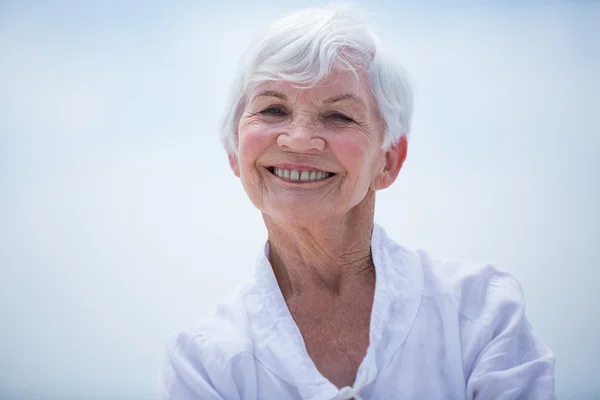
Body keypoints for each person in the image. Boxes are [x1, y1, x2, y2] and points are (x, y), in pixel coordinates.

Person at [157, 5, 555, 400]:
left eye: (339, 116)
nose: (298, 139)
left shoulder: (481, 313)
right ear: (233, 151)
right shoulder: (201, 363)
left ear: (388, 161)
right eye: (273, 109)